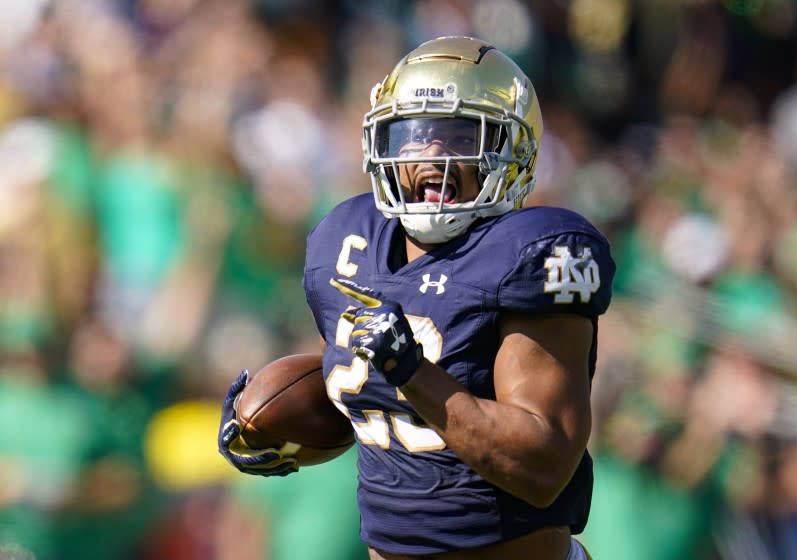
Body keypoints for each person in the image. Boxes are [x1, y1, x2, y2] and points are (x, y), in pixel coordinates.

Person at [218, 36, 614, 560]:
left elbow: (541, 466)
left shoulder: (534, 252)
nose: (430, 153)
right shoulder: (348, 240)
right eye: (413, 135)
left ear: (510, 147)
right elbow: (360, 389)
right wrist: (267, 426)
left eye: (455, 134)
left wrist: (410, 370)